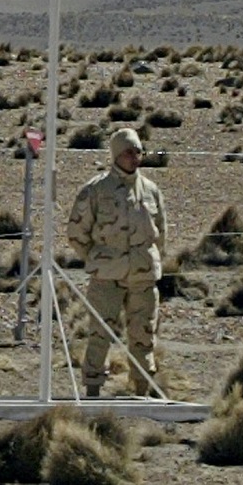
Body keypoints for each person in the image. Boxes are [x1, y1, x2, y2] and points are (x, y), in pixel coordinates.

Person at [68, 127, 168, 397]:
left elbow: (161, 233)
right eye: (127, 152)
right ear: (115, 155)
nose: (134, 157)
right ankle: (92, 390)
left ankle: (143, 389)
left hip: (142, 276)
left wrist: (150, 260)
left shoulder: (151, 191)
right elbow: (77, 233)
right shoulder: (95, 191)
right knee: (99, 334)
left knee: (143, 335)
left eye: (138, 152)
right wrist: (97, 259)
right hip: (107, 277)